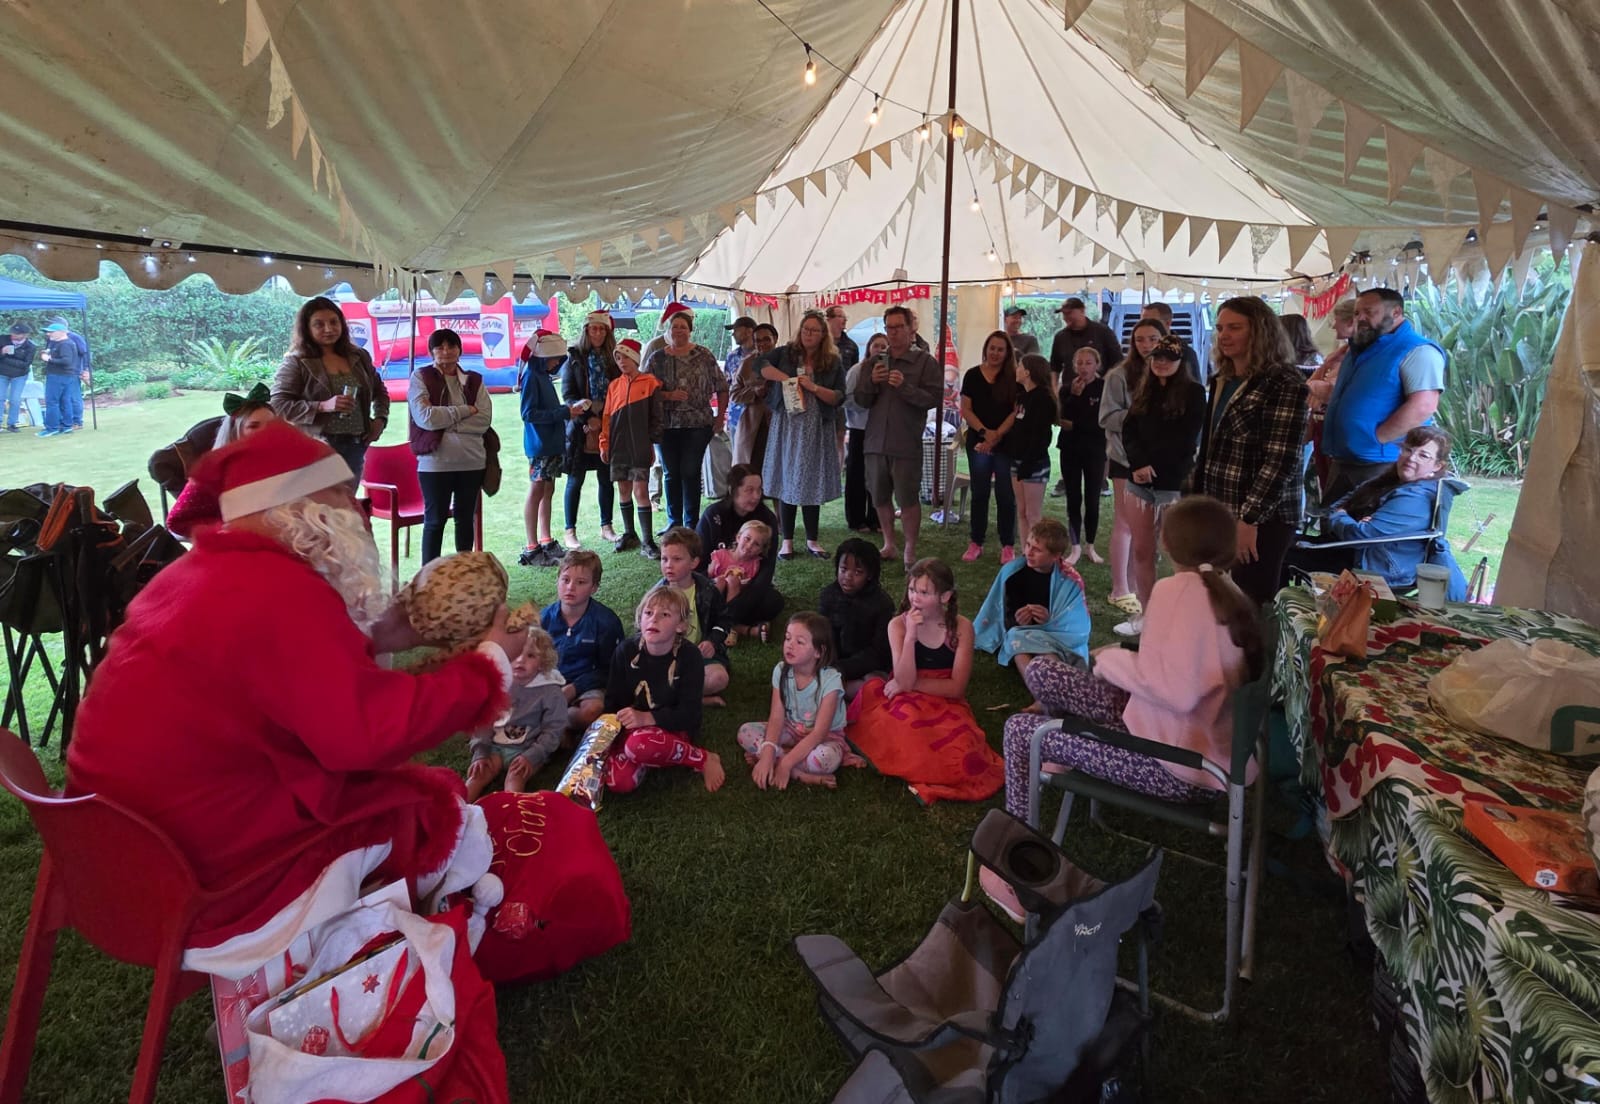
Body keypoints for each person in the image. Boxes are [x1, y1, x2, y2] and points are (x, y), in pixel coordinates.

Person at [66, 423, 523, 962]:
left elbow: (292, 678)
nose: (355, 510)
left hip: (107, 860)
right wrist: (488, 665)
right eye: (341, 494)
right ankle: (389, 957)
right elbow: (365, 733)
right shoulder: (279, 591)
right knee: (424, 808)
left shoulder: (198, 572)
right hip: (205, 878)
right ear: (305, 513)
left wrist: (383, 636)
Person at [984, 495, 1261, 917]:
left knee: (1020, 731)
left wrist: (1111, 661)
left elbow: (1174, 689)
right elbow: (1176, 680)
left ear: (1167, 542)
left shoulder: (1176, 591)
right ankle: (1060, 743)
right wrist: (1119, 665)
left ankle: (1018, 879)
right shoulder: (1230, 595)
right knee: (1042, 671)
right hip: (1178, 736)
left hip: (1174, 764)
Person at [845, 558, 1005, 804]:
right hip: (907, 697)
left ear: (945, 596)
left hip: (945, 700)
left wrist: (909, 684)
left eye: (924, 592)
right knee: (908, 732)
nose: (915, 598)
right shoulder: (897, 625)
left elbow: (956, 688)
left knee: (962, 747)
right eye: (912, 590)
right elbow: (902, 678)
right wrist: (910, 637)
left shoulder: (961, 627)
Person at [1192, 297, 1310, 607]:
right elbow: (1211, 447)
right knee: (1216, 597)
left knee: (1249, 602)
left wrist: (1250, 519)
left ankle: (1255, 644)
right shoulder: (1223, 378)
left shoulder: (1284, 382)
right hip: (1221, 504)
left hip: (1264, 515)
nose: (1224, 335)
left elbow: (1281, 460)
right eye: (1220, 328)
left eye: (1235, 327)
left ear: (1260, 331)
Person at [1282, 426, 1466, 595]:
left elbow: (1359, 535)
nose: (1411, 458)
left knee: (1279, 553)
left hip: (1372, 568)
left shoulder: (1415, 498)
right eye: (1408, 450)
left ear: (1437, 466)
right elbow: (1337, 506)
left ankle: (1270, 607)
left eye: (1423, 455)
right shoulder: (1389, 480)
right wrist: (1347, 517)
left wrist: (1342, 516)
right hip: (1353, 550)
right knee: (1278, 543)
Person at [1116, 335, 1207, 635]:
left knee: (1178, 553)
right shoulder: (1144, 390)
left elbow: (1186, 439)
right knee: (1142, 550)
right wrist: (1139, 464)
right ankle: (1148, 614)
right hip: (1139, 482)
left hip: (1173, 483)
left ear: (1181, 361)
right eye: (1157, 357)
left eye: (1168, 357)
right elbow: (1129, 431)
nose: (1161, 362)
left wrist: (1153, 466)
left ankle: (1181, 618)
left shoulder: (1194, 393)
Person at [1322, 287, 1446, 501]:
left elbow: (1424, 405)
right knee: (1333, 520)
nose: (1360, 318)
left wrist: (1377, 438)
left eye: (1369, 312)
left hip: (1380, 463)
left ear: (1396, 313)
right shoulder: (1360, 348)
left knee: (1366, 520)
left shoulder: (1418, 350)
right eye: (1357, 313)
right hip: (1345, 459)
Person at [601, 588, 726, 795]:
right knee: (619, 782)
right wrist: (614, 734)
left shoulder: (690, 656)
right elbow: (613, 702)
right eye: (648, 613)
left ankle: (703, 758)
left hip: (673, 727)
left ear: (681, 625)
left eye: (665, 614)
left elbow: (689, 716)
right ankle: (648, 755)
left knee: (639, 745)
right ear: (640, 618)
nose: (654, 619)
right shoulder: (625, 651)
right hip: (634, 729)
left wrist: (647, 718)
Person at [855, 305, 942, 570]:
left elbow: (933, 399)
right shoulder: (874, 362)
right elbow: (860, 400)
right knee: (879, 496)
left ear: (910, 328)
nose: (893, 333)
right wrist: (871, 381)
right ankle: (889, 543)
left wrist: (904, 387)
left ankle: (910, 549)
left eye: (898, 327)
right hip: (875, 441)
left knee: (907, 498)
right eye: (889, 327)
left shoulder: (925, 362)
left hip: (905, 441)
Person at [271, 296, 389, 481]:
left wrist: (380, 420)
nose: (329, 329)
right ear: (307, 328)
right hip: (315, 447)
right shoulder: (296, 361)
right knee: (319, 498)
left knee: (347, 499)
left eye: (334, 322)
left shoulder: (359, 356)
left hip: (356, 445)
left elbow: (380, 392)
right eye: (319, 324)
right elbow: (278, 405)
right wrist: (322, 406)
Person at [759, 310, 844, 559]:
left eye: (814, 330)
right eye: (806, 329)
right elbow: (760, 365)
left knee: (811, 479)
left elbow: (839, 396)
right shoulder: (785, 353)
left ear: (823, 334)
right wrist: (787, 379)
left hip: (816, 425)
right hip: (788, 425)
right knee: (787, 477)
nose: (809, 334)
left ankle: (812, 539)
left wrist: (813, 387)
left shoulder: (832, 361)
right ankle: (787, 540)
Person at [737, 612, 857, 790]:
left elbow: (819, 733)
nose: (790, 645)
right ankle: (796, 771)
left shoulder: (831, 681)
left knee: (824, 759)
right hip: (791, 728)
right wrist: (768, 753)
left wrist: (785, 764)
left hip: (824, 738)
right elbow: (776, 718)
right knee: (745, 732)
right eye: (787, 638)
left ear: (819, 651)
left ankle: (783, 762)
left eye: (799, 642)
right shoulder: (781, 671)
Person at [973, 518, 1091, 693]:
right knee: (1015, 638)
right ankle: (1041, 695)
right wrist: (1019, 621)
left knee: (1047, 654)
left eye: (1037, 549)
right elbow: (1005, 619)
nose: (1028, 552)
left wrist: (1048, 620)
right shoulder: (1013, 573)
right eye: (1028, 545)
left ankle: (1061, 691)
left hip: (1056, 639)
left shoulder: (1070, 581)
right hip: (1022, 635)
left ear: (1056, 556)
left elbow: (1076, 625)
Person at [408, 328, 491, 565]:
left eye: (451, 346)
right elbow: (425, 418)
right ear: (431, 352)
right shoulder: (421, 377)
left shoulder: (474, 380)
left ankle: (463, 573)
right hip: (435, 463)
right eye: (440, 347)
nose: (446, 351)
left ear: (459, 350)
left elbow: (484, 419)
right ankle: (428, 576)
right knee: (435, 521)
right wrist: (465, 411)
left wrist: (445, 422)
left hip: (471, 462)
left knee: (465, 520)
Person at [1099, 318, 1162, 615]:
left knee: (1149, 528)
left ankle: (1138, 586)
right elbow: (1106, 417)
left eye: (1152, 339)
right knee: (1125, 524)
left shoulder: (1169, 373)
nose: (1146, 345)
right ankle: (1120, 588)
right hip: (1125, 459)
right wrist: (1140, 415)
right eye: (1140, 339)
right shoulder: (1118, 375)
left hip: (1158, 461)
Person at [644, 304, 727, 530]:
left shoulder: (704, 355)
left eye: (683, 327)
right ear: (668, 330)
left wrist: (720, 417)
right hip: (666, 425)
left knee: (690, 471)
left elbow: (722, 387)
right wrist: (668, 395)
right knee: (671, 473)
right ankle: (674, 522)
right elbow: (645, 391)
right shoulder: (657, 358)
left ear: (690, 330)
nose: (678, 330)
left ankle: (692, 522)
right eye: (675, 326)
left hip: (698, 424)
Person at [465, 627, 567, 801]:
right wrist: (480, 752)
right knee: (478, 776)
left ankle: (513, 812)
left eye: (530, 655)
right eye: (515, 653)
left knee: (514, 778)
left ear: (543, 662)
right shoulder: (498, 683)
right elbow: (483, 722)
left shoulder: (551, 692)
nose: (520, 660)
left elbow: (553, 730)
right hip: (496, 747)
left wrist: (532, 755)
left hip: (528, 749)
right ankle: (456, 810)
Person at [165, 384, 279, 538]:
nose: (266, 432)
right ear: (235, 431)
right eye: (254, 426)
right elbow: (177, 521)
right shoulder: (213, 474)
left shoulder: (283, 463)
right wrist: (227, 528)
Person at [540, 549, 624, 736]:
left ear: (594, 587)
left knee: (592, 711)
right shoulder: (544, 618)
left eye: (581, 582)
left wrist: (575, 688)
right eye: (565, 580)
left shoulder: (606, 622)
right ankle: (553, 724)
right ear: (557, 580)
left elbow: (611, 669)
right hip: (549, 681)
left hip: (587, 686)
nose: (570, 587)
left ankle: (556, 723)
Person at [696, 464, 784, 640]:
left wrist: (738, 605)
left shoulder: (767, 519)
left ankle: (716, 621)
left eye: (759, 490)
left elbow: (766, 571)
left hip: (748, 588)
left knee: (773, 602)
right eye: (749, 490)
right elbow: (698, 564)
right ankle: (741, 628)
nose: (756, 496)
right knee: (696, 595)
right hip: (716, 585)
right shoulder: (713, 515)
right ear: (733, 490)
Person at [559, 310, 621, 551]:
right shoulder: (574, 358)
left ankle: (607, 526)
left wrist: (603, 419)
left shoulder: (613, 359)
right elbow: (568, 395)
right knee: (575, 480)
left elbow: (618, 391)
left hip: (607, 425)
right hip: (580, 429)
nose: (598, 333)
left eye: (602, 329)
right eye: (593, 328)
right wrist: (588, 418)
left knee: (606, 480)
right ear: (586, 331)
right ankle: (570, 530)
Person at [959, 331, 1019, 564]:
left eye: (1000, 349)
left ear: (1007, 353)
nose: (995, 353)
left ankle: (1007, 545)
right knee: (980, 492)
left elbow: (1016, 411)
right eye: (992, 348)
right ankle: (976, 542)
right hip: (979, 442)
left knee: (1006, 494)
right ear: (986, 349)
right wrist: (985, 433)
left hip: (1006, 443)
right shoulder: (973, 375)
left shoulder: (1013, 377)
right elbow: (966, 409)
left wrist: (996, 436)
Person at [599, 338, 663, 558]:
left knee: (640, 491)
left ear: (635, 358)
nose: (621, 361)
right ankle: (629, 533)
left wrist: (652, 442)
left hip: (639, 445)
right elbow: (607, 417)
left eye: (625, 357)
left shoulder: (650, 382)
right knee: (623, 489)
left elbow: (656, 417)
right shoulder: (614, 386)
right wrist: (604, 442)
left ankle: (648, 541)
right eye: (618, 358)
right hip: (618, 446)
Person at [654, 526, 733, 702]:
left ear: (694, 562)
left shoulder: (708, 590)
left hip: (699, 657)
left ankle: (674, 697)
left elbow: (724, 620)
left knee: (719, 678)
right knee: (649, 676)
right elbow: (644, 633)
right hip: (666, 659)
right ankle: (695, 699)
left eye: (677, 559)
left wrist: (712, 641)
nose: (668, 565)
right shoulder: (656, 595)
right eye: (664, 559)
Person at [517, 331, 571, 567]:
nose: (556, 363)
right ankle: (532, 546)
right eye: (554, 358)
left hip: (550, 443)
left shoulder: (542, 376)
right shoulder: (532, 377)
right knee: (537, 489)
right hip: (540, 445)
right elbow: (528, 414)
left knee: (548, 489)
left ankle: (546, 540)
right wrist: (564, 412)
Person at [818, 537, 895, 699]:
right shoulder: (828, 596)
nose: (848, 576)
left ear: (870, 575)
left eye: (857, 572)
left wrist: (843, 668)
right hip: (833, 665)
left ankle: (835, 692)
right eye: (843, 569)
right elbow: (823, 636)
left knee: (874, 683)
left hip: (868, 666)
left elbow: (878, 652)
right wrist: (828, 664)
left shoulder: (882, 604)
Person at [1057, 347, 1107, 566]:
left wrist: (1077, 425)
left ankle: (1090, 545)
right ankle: (1075, 546)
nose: (1084, 368)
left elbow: (1100, 423)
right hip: (1070, 449)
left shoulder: (1104, 388)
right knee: (1073, 497)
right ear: (1074, 366)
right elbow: (1062, 419)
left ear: (1097, 365)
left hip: (1095, 450)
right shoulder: (1067, 389)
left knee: (1093, 499)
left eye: (1088, 363)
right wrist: (1075, 397)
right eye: (1080, 363)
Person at [1307, 298, 1359, 498]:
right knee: (1326, 484)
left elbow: (1327, 390)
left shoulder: (1356, 358)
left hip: (1340, 431)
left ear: (1350, 322)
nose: (1332, 325)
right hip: (1323, 426)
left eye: (1335, 320)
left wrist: (1316, 385)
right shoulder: (1341, 354)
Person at [1008, 353, 1058, 550]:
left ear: (1028, 372)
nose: (1017, 369)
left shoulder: (1043, 399)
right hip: (1017, 460)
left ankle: (1038, 551)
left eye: (1020, 366)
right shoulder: (1022, 397)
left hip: (1034, 463)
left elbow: (1041, 436)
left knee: (1032, 514)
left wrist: (1028, 462)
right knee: (1021, 511)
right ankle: (1025, 552)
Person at [842, 332, 887, 533]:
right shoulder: (857, 370)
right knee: (857, 476)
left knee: (879, 476)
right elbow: (846, 398)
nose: (880, 349)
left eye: (884, 346)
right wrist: (864, 404)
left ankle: (876, 519)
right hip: (859, 429)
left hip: (882, 430)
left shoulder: (890, 372)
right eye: (876, 345)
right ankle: (856, 519)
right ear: (869, 348)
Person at [1048, 297, 1122, 390]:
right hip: (1070, 392)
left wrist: (1104, 383)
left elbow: (1117, 362)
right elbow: (1055, 367)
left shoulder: (1102, 332)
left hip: (1099, 391)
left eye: (1069, 313)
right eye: (1064, 314)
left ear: (1082, 311)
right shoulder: (1060, 337)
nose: (1065, 317)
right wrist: (1054, 389)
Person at [708, 519, 770, 610]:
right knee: (720, 581)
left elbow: (749, 589)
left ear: (760, 550)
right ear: (738, 537)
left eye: (756, 544)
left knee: (733, 581)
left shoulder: (754, 565)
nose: (749, 546)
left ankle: (729, 614)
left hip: (736, 598)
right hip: (716, 592)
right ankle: (708, 611)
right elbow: (708, 577)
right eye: (747, 539)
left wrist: (741, 583)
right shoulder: (720, 555)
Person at [36, 322, 81, 437]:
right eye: (48, 332)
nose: (48, 334)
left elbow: (66, 361)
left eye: (51, 332)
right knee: (64, 401)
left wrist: (48, 359)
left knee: (52, 401)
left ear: (61, 332)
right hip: (65, 376)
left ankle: (52, 428)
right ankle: (66, 426)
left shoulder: (65, 344)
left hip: (58, 376)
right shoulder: (60, 343)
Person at [46, 316, 92, 430]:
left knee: (73, 398)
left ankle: (77, 421)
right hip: (58, 372)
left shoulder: (74, 337)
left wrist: (86, 369)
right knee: (62, 399)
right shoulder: (52, 338)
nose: (49, 329)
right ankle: (64, 422)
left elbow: (85, 353)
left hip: (73, 371)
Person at [1139, 302, 1201, 379]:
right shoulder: (1139, 350)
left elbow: (1194, 384)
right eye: (1142, 323)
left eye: (1152, 323)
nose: (1145, 327)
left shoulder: (1185, 353)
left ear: (1168, 323)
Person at [722, 314, 758, 445]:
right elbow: (726, 387)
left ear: (749, 331)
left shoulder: (764, 355)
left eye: (736, 330)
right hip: (735, 417)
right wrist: (723, 416)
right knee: (737, 456)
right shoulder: (732, 357)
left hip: (758, 416)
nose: (733, 334)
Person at [0, 322, 35, 433]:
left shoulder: (30, 346)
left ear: (24, 335)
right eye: (12, 332)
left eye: (16, 333)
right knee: (0, 397)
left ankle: (12, 423)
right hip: (2, 373)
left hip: (19, 375)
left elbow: (26, 364)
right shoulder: (2, 339)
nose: (13, 335)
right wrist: (2, 352)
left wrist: (5, 359)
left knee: (15, 399)